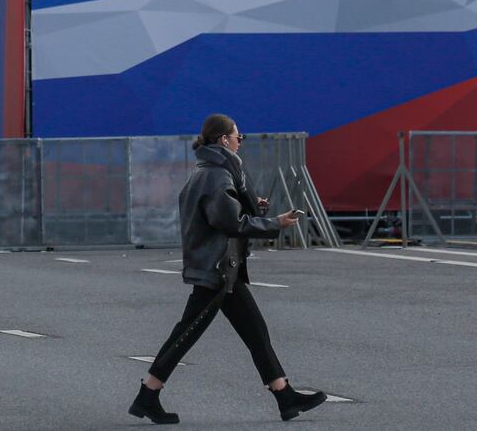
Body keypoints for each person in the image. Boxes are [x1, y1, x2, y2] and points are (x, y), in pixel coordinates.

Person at [128, 113, 328, 424]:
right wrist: (274, 223)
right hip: (217, 269)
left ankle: (284, 395)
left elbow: (223, 213)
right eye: (237, 136)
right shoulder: (217, 175)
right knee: (188, 333)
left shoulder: (208, 171)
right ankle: (148, 395)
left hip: (221, 268)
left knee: (254, 331)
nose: (240, 141)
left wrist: (253, 207)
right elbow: (230, 222)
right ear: (224, 139)